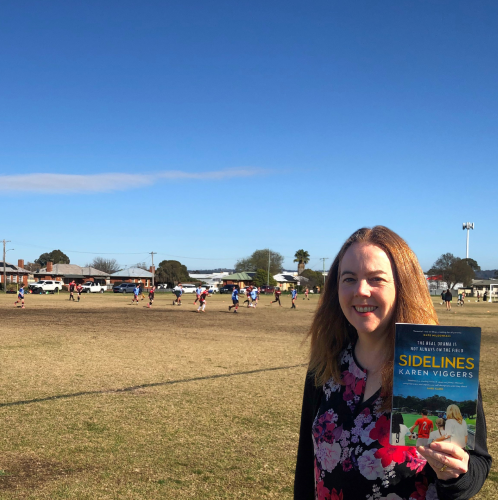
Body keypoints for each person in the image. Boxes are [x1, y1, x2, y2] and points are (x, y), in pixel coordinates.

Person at [294, 226, 491, 500]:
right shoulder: (325, 366)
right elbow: (306, 466)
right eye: (349, 278)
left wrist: (455, 474)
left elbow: (477, 463)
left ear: (402, 286)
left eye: (376, 279)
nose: (361, 291)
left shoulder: (438, 368)